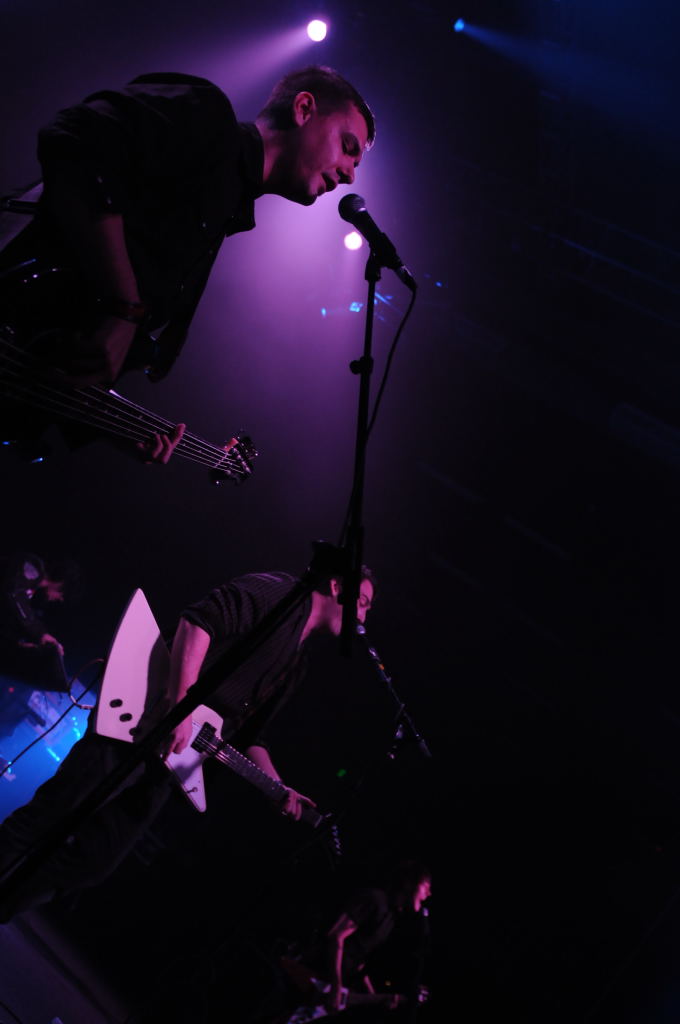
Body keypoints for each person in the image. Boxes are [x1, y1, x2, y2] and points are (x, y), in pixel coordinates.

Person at [0, 66, 375, 460]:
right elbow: (75, 135)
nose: (350, 176)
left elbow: (57, 347)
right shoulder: (207, 117)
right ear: (303, 109)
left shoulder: (223, 214)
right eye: (348, 146)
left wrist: (110, 427)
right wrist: (124, 307)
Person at [0, 564, 375, 919]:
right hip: (142, 722)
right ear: (335, 586)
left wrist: (277, 786)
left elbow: (251, 735)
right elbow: (198, 622)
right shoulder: (278, 594)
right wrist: (180, 708)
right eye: (361, 602)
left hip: (169, 760)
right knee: (49, 817)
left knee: (94, 860)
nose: (362, 616)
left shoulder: (297, 664)